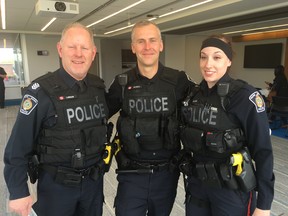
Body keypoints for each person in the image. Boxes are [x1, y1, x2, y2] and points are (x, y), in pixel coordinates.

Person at [4, 22, 109, 216]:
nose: (79, 53)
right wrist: (18, 190)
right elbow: (18, 146)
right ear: (60, 50)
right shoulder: (40, 92)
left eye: (84, 47)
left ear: (93, 53)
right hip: (57, 188)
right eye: (72, 47)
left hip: (93, 185)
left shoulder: (98, 88)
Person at [106, 20, 195, 216]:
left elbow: (204, 108)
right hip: (131, 174)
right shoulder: (121, 83)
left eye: (152, 40)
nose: (147, 47)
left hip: (167, 174)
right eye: (141, 41)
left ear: (161, 45)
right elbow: (97, 117)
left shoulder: (179, 80)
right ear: (133, 47)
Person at [179, 35, 275, 216]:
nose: (208, 64)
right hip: (197, 186)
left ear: (229, 60)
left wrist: (264, 205)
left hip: (231, 190)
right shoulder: (193, 96)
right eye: (203, 56)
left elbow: (263, 152)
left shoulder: (244, 97)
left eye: (217, 57)